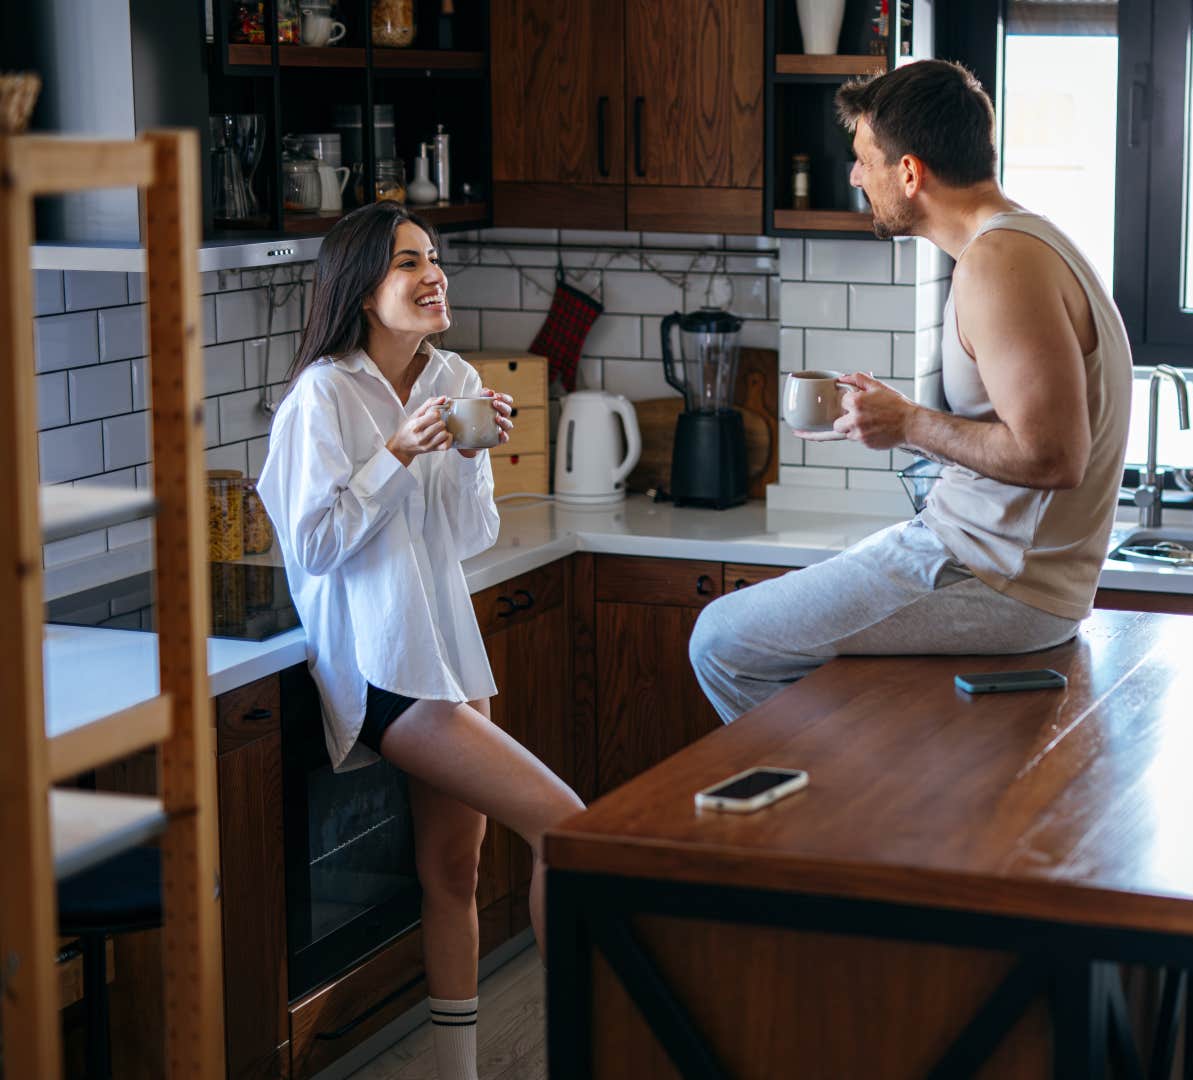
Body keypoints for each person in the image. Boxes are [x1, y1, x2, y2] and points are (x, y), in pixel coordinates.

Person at [690, 60, 1133, 721]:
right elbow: (1023, 437)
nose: (854, 176)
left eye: (863, 159)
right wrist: (893, 419)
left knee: (722, 641)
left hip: (996, 577)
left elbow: (1053, 457)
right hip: (992, 565)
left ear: (909, 172)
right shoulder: (1025, 244)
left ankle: (835, 790)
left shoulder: (999, 263)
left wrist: (909, 424)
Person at [257, 202, 584, 1080]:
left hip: (446, 650)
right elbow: (314, 545)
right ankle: (590, 1047)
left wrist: (471, 457)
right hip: (381, 667)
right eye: (408, 262)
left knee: (453, 875)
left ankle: (457, 1072)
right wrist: (398, 452)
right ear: (363, 289)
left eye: (432, 257)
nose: (433, 274)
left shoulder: (452, 374)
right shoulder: (323, 395)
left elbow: (469, 535)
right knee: (569, 832)